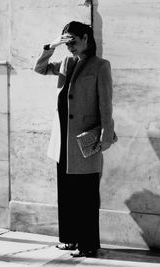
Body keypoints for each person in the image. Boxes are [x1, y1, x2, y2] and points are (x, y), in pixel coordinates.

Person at [34, 21, 115, 257]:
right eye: (66, 42)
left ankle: (88, 244)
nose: (70, 47)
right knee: (67, 195)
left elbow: (106, 104)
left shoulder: (101, 66)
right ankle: (69, 239)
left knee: (86, 196)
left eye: (73, 41)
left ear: (86, 39)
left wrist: (106, 135)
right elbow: (40, 68)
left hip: (84, 142)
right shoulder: (67, 63)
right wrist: (51, 46)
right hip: (62, 143)